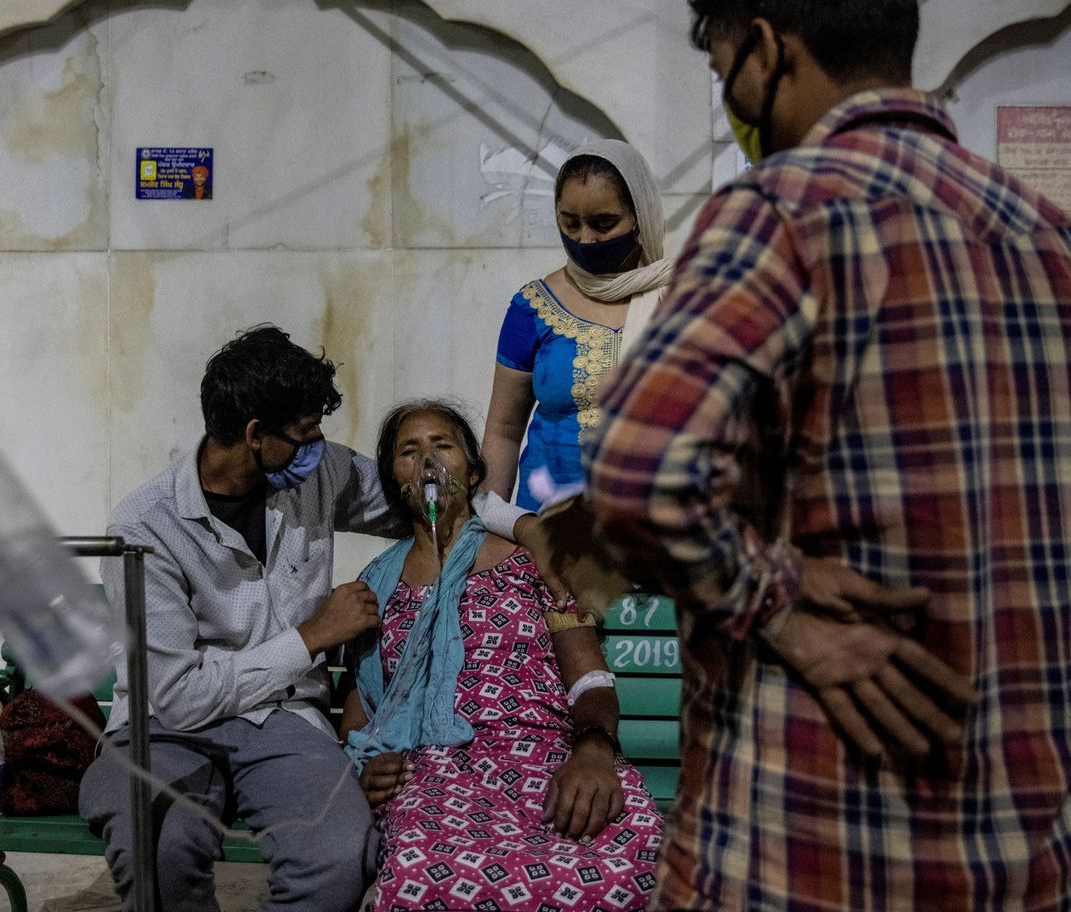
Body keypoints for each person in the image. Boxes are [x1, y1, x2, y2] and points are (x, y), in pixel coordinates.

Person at [585, 1, 1071, 909]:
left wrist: (777, 599)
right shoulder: (1046, 236)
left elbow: (636, 472)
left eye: (726, 66)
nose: (731, 94)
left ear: (767, 48)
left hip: (802, 843)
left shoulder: (781, 212)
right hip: (1021, 850)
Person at [79, 327, 541, 912]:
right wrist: (311, 637)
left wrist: (522, 525)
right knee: (159, 850)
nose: (319, 446)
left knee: (338, 856)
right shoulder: (146, 527)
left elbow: (431, 494)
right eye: (304, 434)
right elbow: (177, 696)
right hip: (164, 727)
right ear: (254, 436)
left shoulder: (316, 476)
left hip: (286, 722)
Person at [343, 401, 662, 912]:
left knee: (628, 862)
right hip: (433, 770)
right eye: (409, 450)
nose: (428, 460)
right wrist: (364, 766)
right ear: (392, 478)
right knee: (425, 876)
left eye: (443, 445)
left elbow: (590, 681)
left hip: (553, 753)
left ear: (472, 472)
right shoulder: (375, 587)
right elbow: (360, 709)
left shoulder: (536, 564)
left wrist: (596, 749)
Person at [482, 140, 673, 509]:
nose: (586, 239)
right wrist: (488, 533)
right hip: (545, 532)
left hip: (655, 536)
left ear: (640, 215)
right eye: (570, 223)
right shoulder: (533, 308)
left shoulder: (684, 301)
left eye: (603, 223)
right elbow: (504, 432)